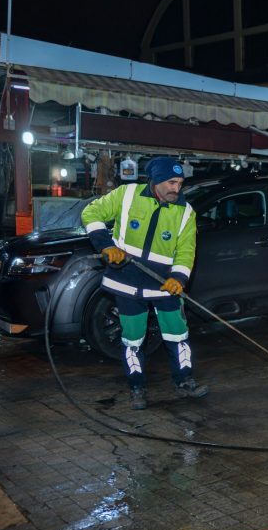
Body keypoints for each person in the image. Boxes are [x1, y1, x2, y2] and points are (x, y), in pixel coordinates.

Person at [80, 156, 208, 410]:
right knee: (133, 339)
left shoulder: (185, 212)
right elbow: (90, 213)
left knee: (177, 334)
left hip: (164, 285)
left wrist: (179, 277)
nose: (177, 188)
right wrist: (106, 245)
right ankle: (136, 387)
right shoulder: (126, 195)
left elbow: (186, 251)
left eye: (180, 183)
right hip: (127, 283)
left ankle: (184, 382)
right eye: (171, 182)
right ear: (156, 181)